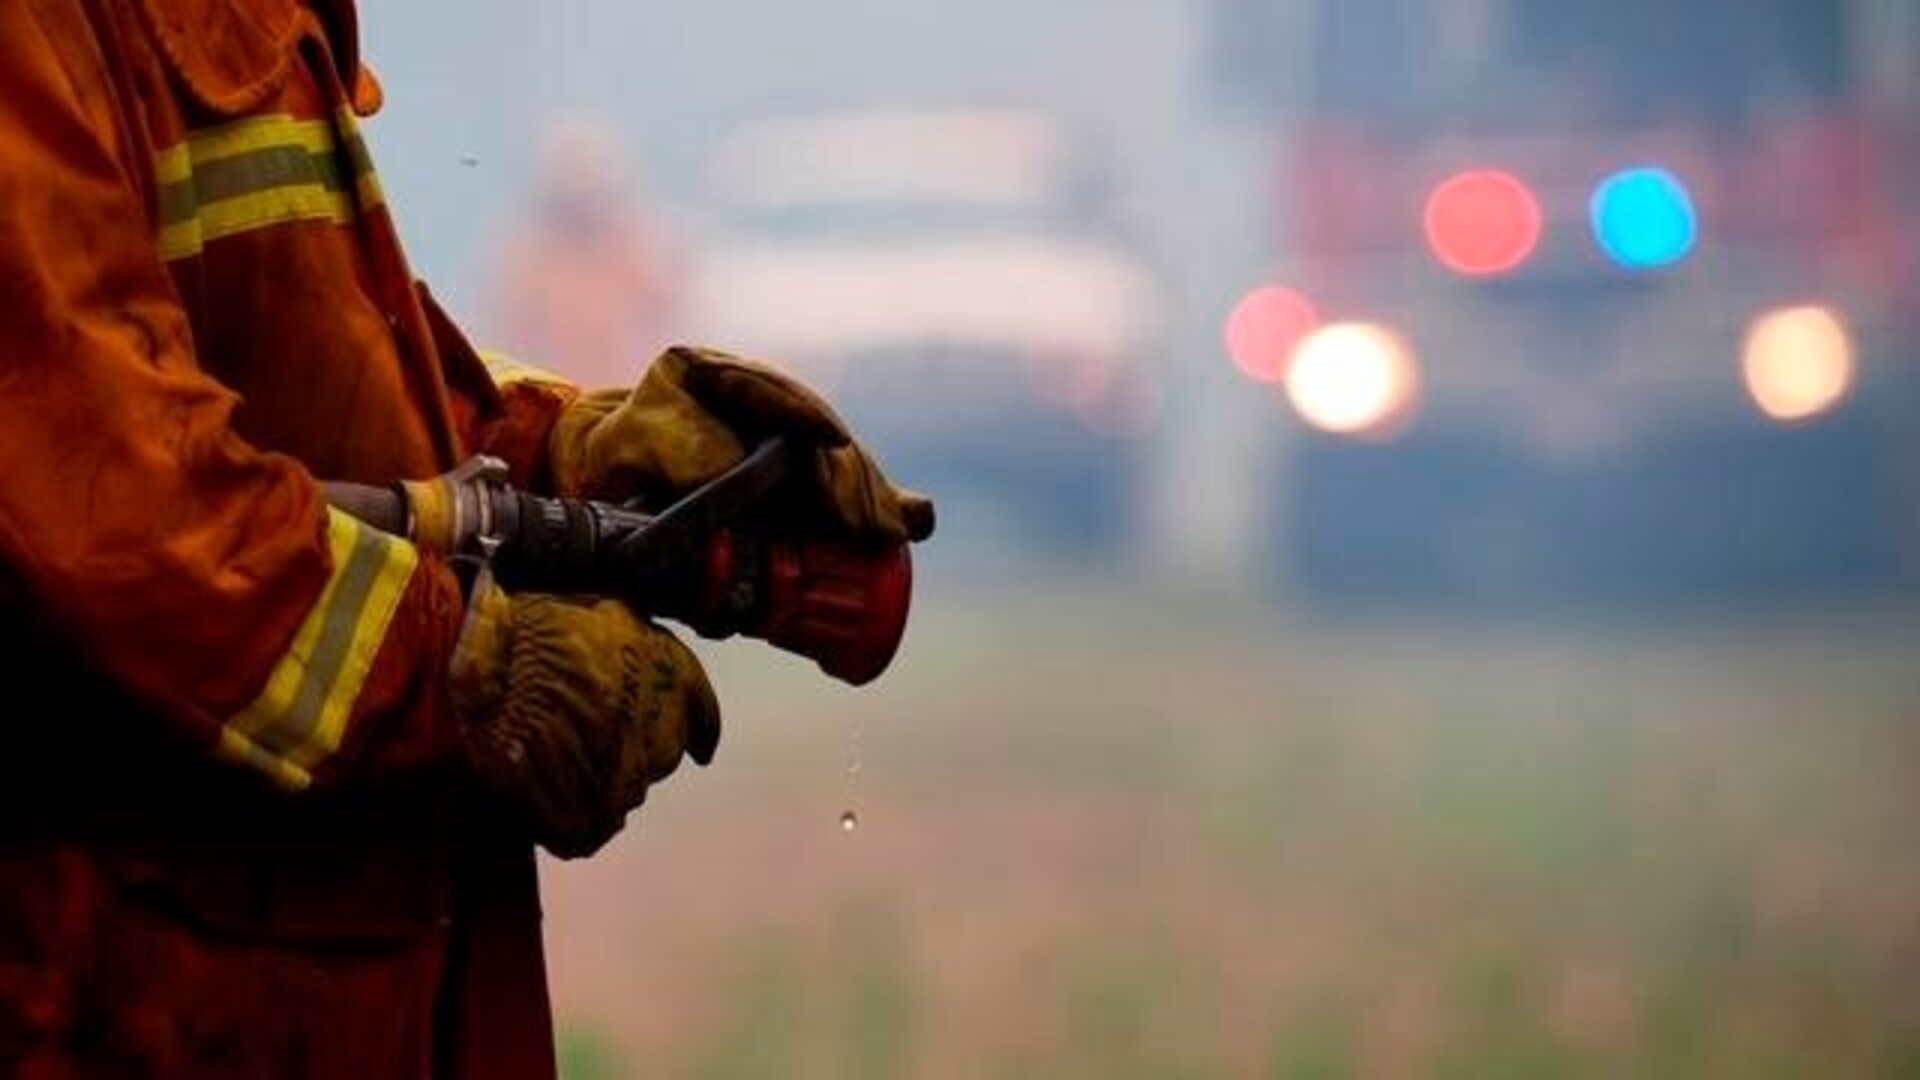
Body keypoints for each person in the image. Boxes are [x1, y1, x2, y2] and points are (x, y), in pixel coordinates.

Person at [0, 2, 932, 1077]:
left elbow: (308, 388)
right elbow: (120, 513)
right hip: (107, 1000)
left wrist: (578, 454)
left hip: (318, 988)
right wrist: (466, 665)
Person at [481, 116, 685, 389]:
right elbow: (507, 332)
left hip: (626, 398)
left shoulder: (635, 247)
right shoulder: (529, 259)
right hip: (557, 407)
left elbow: (668, 317)